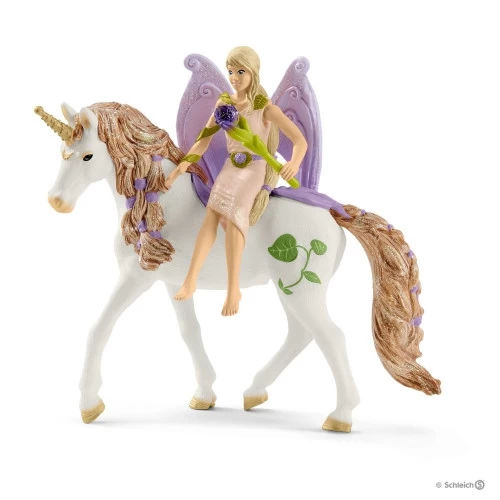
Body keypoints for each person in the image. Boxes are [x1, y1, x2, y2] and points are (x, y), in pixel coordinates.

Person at [165, 46, 307, 316]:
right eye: (231, 71)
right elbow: (203, 140)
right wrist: (183, 165)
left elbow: (300, 141)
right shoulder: (224, 105)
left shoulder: (264, 108)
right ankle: (191, 278)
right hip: (231, 167)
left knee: (232, 220)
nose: (234, 77)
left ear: (253, 72)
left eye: (241, 71)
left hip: (254, 168)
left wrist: (294, 163)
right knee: (210, 216)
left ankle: (233, 289)